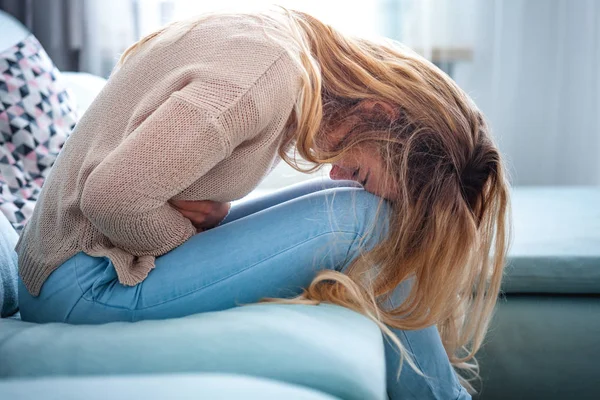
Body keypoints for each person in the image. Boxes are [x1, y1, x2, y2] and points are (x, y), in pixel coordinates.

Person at [16, 9, 510, 399]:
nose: (338, 171)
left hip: (80, 267)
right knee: (366, 219)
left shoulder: (282, 51)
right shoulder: (266, 77)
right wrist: (192, 235)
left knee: (353, 207)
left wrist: (214, 220)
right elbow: (113, 197)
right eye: (360, 170)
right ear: (379, 110)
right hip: (84, 283)